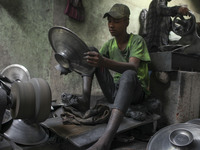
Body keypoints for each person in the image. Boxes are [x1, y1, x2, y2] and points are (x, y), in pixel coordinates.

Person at [83, 3, 151, 150]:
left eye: (116, 21)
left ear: (126, 22)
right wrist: (71, 64)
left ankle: (105, 141)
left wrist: (103, 61)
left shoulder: (137, 41)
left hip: (136, 92)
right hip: (115, 92)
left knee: (129, 73)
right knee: (92, 52)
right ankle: (84, 100)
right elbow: (95, 62)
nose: (111, 25)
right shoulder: (110, 44)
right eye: (109, 21)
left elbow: (133, 66)